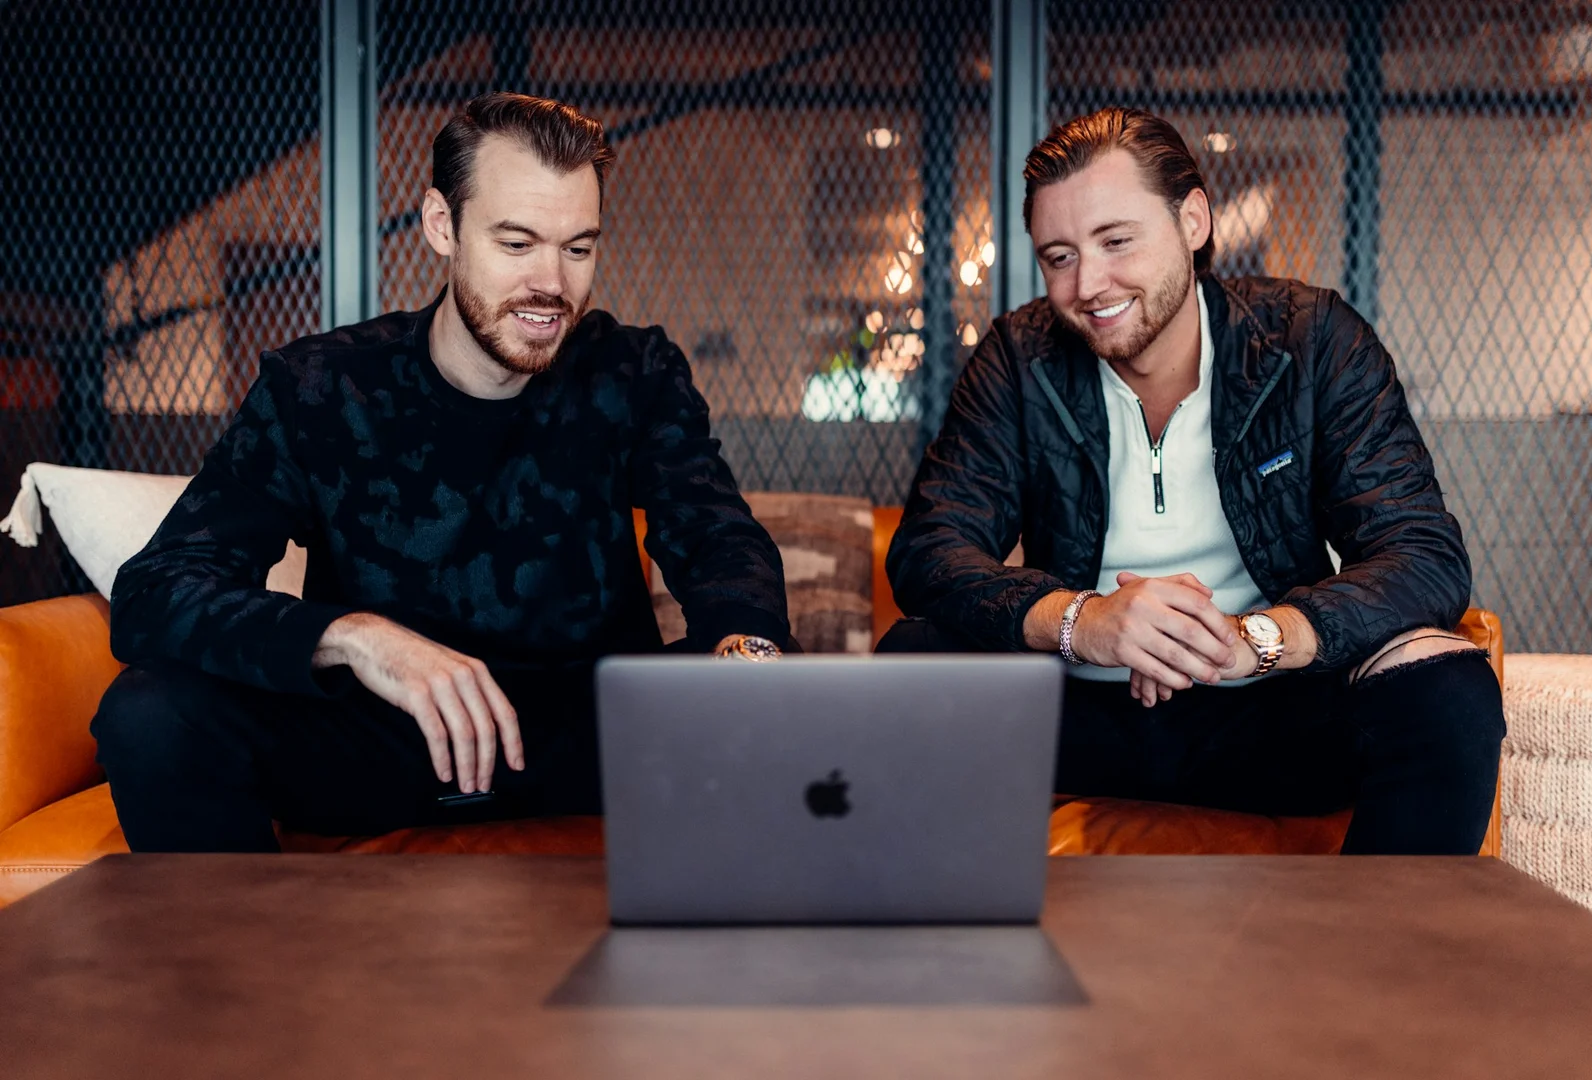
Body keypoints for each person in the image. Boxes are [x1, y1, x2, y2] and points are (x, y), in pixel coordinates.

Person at [92, 93, 790, 852]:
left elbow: (717, 538)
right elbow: (157, 590)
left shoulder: (633, 372)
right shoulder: (320, 387)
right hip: (385, 740)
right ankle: (258, 934)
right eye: (516, 243)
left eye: (578, 248)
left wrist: (748, 652)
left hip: (587, 734)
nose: (552, 284)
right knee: (151, 711)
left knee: (780, 686)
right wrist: (356, 638)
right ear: (441, 225)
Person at [879, 107, 1504, 855]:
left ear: (1194, 220)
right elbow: (929, 550)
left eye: (1116, 241)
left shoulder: (1310, 340)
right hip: (1078, 712)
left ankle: (1371, 936)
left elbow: (1422, 554)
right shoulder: (1019, 359)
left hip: (1270, 714)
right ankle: (950, 930)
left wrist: (1255, 639)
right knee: (913, 657)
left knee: (1445, 689)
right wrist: (1085, 622)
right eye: (1059, 256)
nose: (1088, 284)